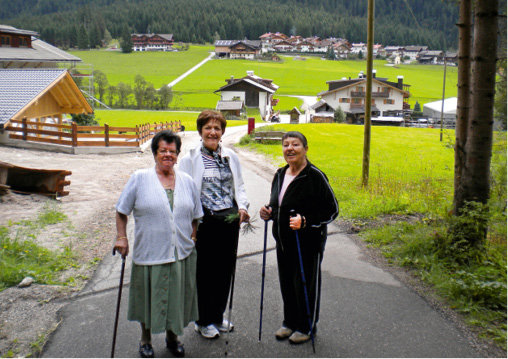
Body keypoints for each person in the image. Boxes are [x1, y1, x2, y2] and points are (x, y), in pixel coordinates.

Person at [114, 130, 203, 358]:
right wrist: (121, 237)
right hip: (149, 251)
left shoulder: (187, 181)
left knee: (176, 298)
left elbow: (196, 215)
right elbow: (122, 210)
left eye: (172, 151)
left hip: (180, 253)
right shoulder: (140, 178)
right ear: (154, 153)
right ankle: (145, 339)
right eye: (163, 150)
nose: (167, 155)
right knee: (147, 299)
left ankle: (173, 338)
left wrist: (192, 237)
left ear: (177, 155)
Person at [259, 131, 338, 345]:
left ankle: (306, 326)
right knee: (287, 282)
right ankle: (289, 322)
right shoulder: (280, 174)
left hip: (308, 243)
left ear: (305, 149)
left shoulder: (315, 176)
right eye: (286, 145)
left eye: (295, 144)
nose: (290, 149)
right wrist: (269, 212)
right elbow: (278, 205)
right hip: (284, 241)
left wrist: (306, 221)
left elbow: (332, 210)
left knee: (305, 283)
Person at [179, 110, 250, 339]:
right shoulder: (190, 158)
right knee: (205, 272)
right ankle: (203, 320)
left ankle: (218, 316)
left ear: (222, 132)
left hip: (228, 220)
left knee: (224, 269)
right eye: (208, 128)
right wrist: (191, 225)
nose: (212, 132)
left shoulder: (230, 156)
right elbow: (184, 192)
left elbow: (238, 185)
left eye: (217, 128)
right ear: (200, 131)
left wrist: (243, 207)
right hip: (204, 222)